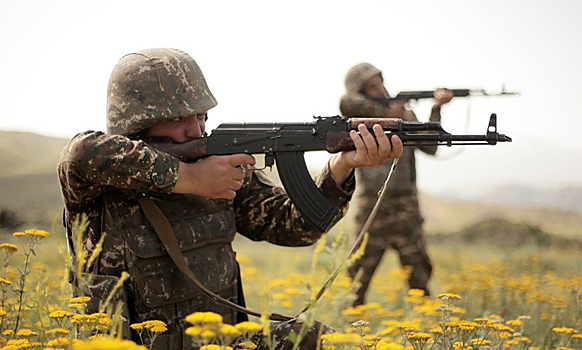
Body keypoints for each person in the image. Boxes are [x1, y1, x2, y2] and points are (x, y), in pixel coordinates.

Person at [57, 49, 403, 349]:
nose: (196, 129)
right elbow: (81, 153)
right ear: (136, 122)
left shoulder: (219, 168)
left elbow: (293, 226)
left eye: (201, 115)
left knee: (325, 342)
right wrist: (190, 179)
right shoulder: (99, 180)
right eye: (179, 118)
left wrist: (341, 165)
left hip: (224, 342)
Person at [339, 62, 453, 305]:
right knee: (356, 283)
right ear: (360, 92)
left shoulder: (404, 114)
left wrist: (435, 110)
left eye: (380, 82)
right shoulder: (357, 117)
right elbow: (346, 104)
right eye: (372, 86)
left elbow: (430, 147)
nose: (380, 88)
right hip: (371, 209)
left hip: (406, 209)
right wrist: (388, 116)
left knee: (420, 280)